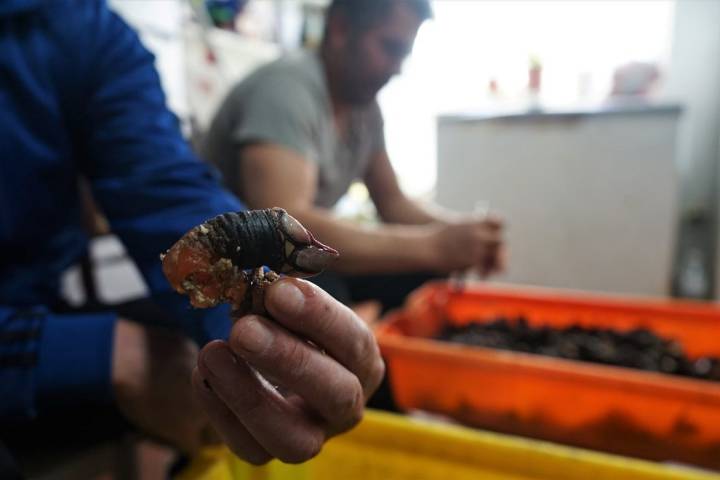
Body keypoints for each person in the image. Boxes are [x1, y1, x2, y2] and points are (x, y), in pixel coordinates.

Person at [0, 0, 383, 472]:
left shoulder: (83, 28)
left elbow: (163, 187)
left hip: (43, 305)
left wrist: (252, 324)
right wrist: (91, 353)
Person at [202, 0, 506, 312]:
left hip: (301, 262)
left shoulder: (364, 108)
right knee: (315, 295)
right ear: (340, 29)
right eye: (389, 47)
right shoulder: (285, 91)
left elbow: (393, 203)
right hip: (238, 266)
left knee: (427, 273)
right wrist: (434, 245)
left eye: (403, 54)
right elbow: (283, 227)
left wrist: (464, 235)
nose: (397, 68)